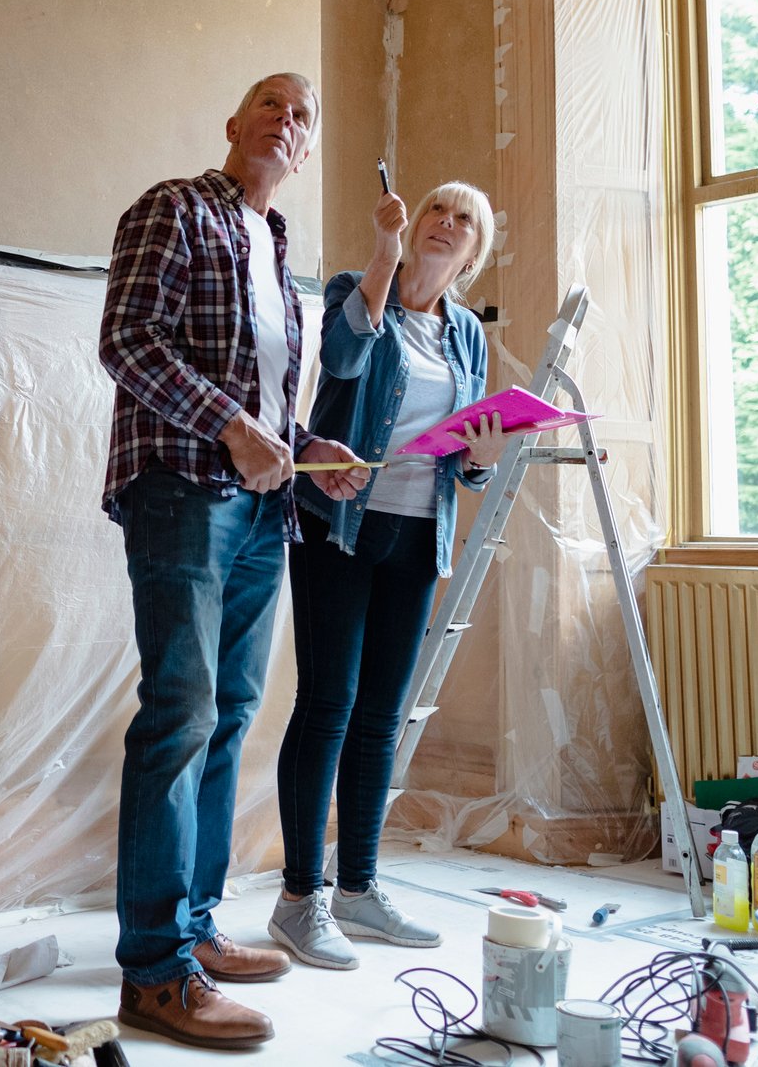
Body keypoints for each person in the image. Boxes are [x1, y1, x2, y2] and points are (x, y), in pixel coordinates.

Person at [97, 72, 368, 1049]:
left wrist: (306, 444)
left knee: (229, 714)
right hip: (180, 489)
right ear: (233, 124)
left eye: (302, 116)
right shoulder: (176, 207)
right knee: (180, 712)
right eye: (269, 103)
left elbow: (262, 399)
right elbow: (127, 341)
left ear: (306, 150)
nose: (285, 120)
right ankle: (152, 971)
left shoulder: (278, 251)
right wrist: (232, 426)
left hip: (262, 508)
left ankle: (195, 929)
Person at [266, 181, 507, 970]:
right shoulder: (356, 289)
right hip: (337, 525)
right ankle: (298, 899)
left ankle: (358, 888)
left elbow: (463, 459)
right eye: (437, 208)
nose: (446, 223)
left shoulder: (465, 333)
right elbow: (340, 359)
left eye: (463, 220)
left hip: (416, 534)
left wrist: (481, 460)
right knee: (327, 707)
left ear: (473, 252)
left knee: (379, 719)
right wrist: (383, 254)